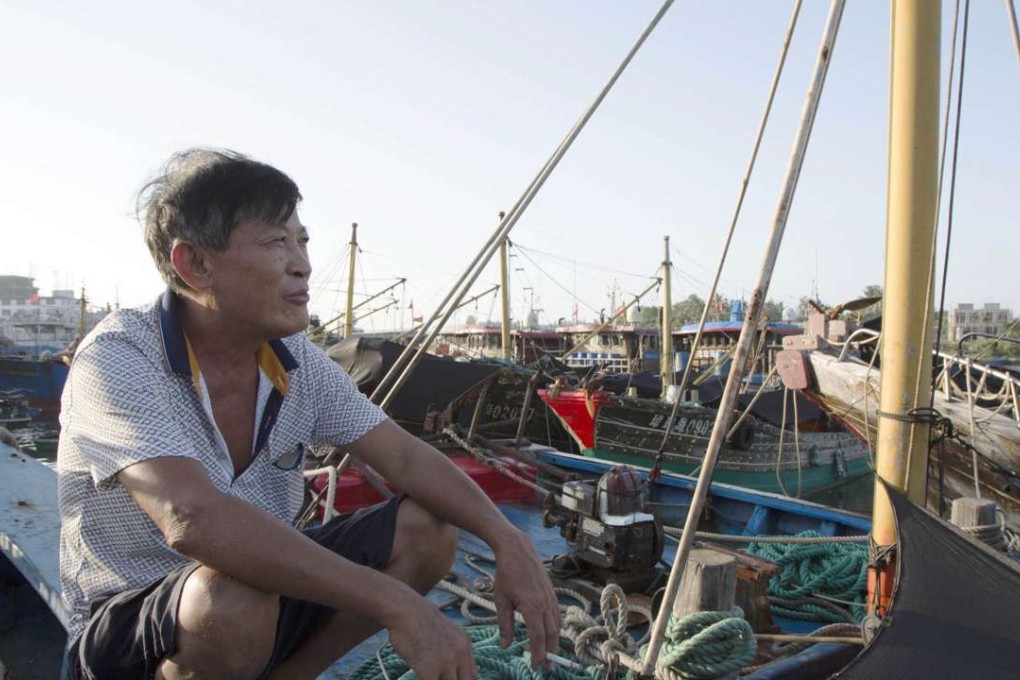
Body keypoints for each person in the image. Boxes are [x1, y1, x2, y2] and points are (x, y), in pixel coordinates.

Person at [57, 149, 560, 679]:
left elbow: (407, 459)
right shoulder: (120, 357)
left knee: (428, 528)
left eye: (302, 241)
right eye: (276, 242)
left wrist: (509, 540)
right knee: (232, 598)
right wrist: (397, 603)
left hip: (254, 603)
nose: (303, 264)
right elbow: (191, 518)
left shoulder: (299, 368)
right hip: (129, 630)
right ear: (196, 265)